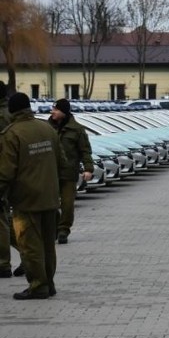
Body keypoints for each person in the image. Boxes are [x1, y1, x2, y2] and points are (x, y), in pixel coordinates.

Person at [0, 93, 67, 299]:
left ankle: (38, 286)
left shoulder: (11, 134)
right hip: (49, 197)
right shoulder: (47, 128)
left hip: (26, 200)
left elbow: (5, 172)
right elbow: (62, 162)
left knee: (30, 246)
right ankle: (49, 282)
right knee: (48, 245)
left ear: (12, 110)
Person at [49, 98, 94, 244]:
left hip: (69, 173)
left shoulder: (77, 130)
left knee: (67, 204)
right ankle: (54, 227)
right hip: (49, 173)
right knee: (50, 204)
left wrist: (88, 169)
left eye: (55, 109)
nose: (52, 112)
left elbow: (85, 151)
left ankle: (63, 230)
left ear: (63, 112)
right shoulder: (46, 128)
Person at [0, 82, 13, 278]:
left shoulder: (2, 116)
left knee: (2, 220)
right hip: (12, 173)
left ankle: (3, 264)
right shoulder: (10, 111)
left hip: (4, 173)